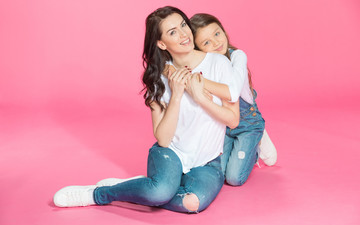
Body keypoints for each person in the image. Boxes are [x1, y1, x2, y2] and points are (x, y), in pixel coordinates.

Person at [53, 6, 241, 213]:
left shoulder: (219, 63)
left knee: (191, 203)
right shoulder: (159, 78)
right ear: (161, 43)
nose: (184, 34)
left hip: (208, 162)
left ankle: (141, 188)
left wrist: (199, 97)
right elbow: (163, 139)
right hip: (171, 154)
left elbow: (233, 121)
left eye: (183, 25)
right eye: (172, 32)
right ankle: (99, 193)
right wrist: (176, 95)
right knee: (160, 193)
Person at [189, 13, 277, 186]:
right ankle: (243, 145)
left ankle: (257, 143)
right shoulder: (204, 66)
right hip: (225, 125)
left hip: (247, 123)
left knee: (234, 178)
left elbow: (233, 91)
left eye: (217, 33)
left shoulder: (238, 56)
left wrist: (199, 82)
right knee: (218, 173)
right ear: (198, 49)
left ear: (223, 30)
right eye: (206, 42)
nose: (216, 43)